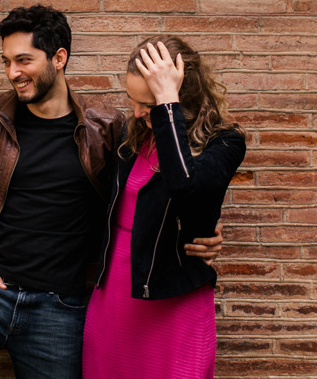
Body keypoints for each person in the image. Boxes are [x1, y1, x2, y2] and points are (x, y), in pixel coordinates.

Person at [0, 7, 224, 379]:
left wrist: (199, 231)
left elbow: (148, 193)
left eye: (23, 60)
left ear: (59, 58)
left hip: (61, 307)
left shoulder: (108, 128)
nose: (12, 72)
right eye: (6, 61)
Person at [82, 36, 247, 379]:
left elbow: (185, 187)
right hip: (116, 293)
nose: (139, 112)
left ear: (179, 96)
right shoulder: (133, 135)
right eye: (134, 101)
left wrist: (166, 104)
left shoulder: (225, 142)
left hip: (174, 297)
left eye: (149, 102)